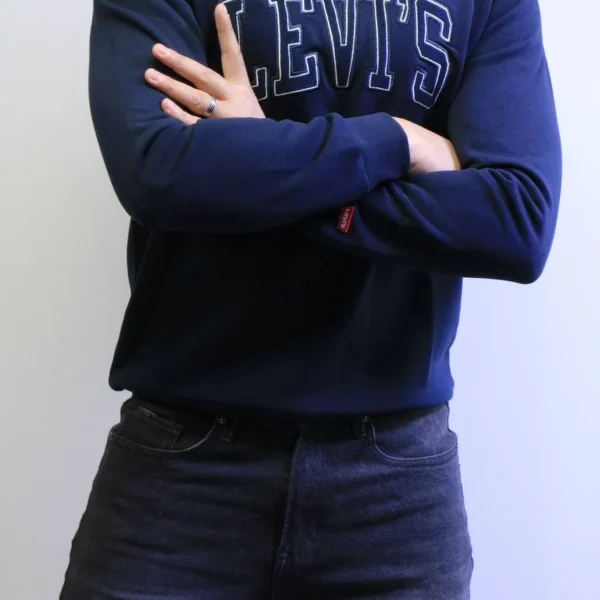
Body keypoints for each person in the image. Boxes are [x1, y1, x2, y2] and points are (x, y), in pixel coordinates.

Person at [60, 0, 561, 598]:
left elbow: (515, 222)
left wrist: (258, 154)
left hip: (394, 484)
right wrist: (397, 139)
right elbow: (157, 172)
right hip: (182, 467)